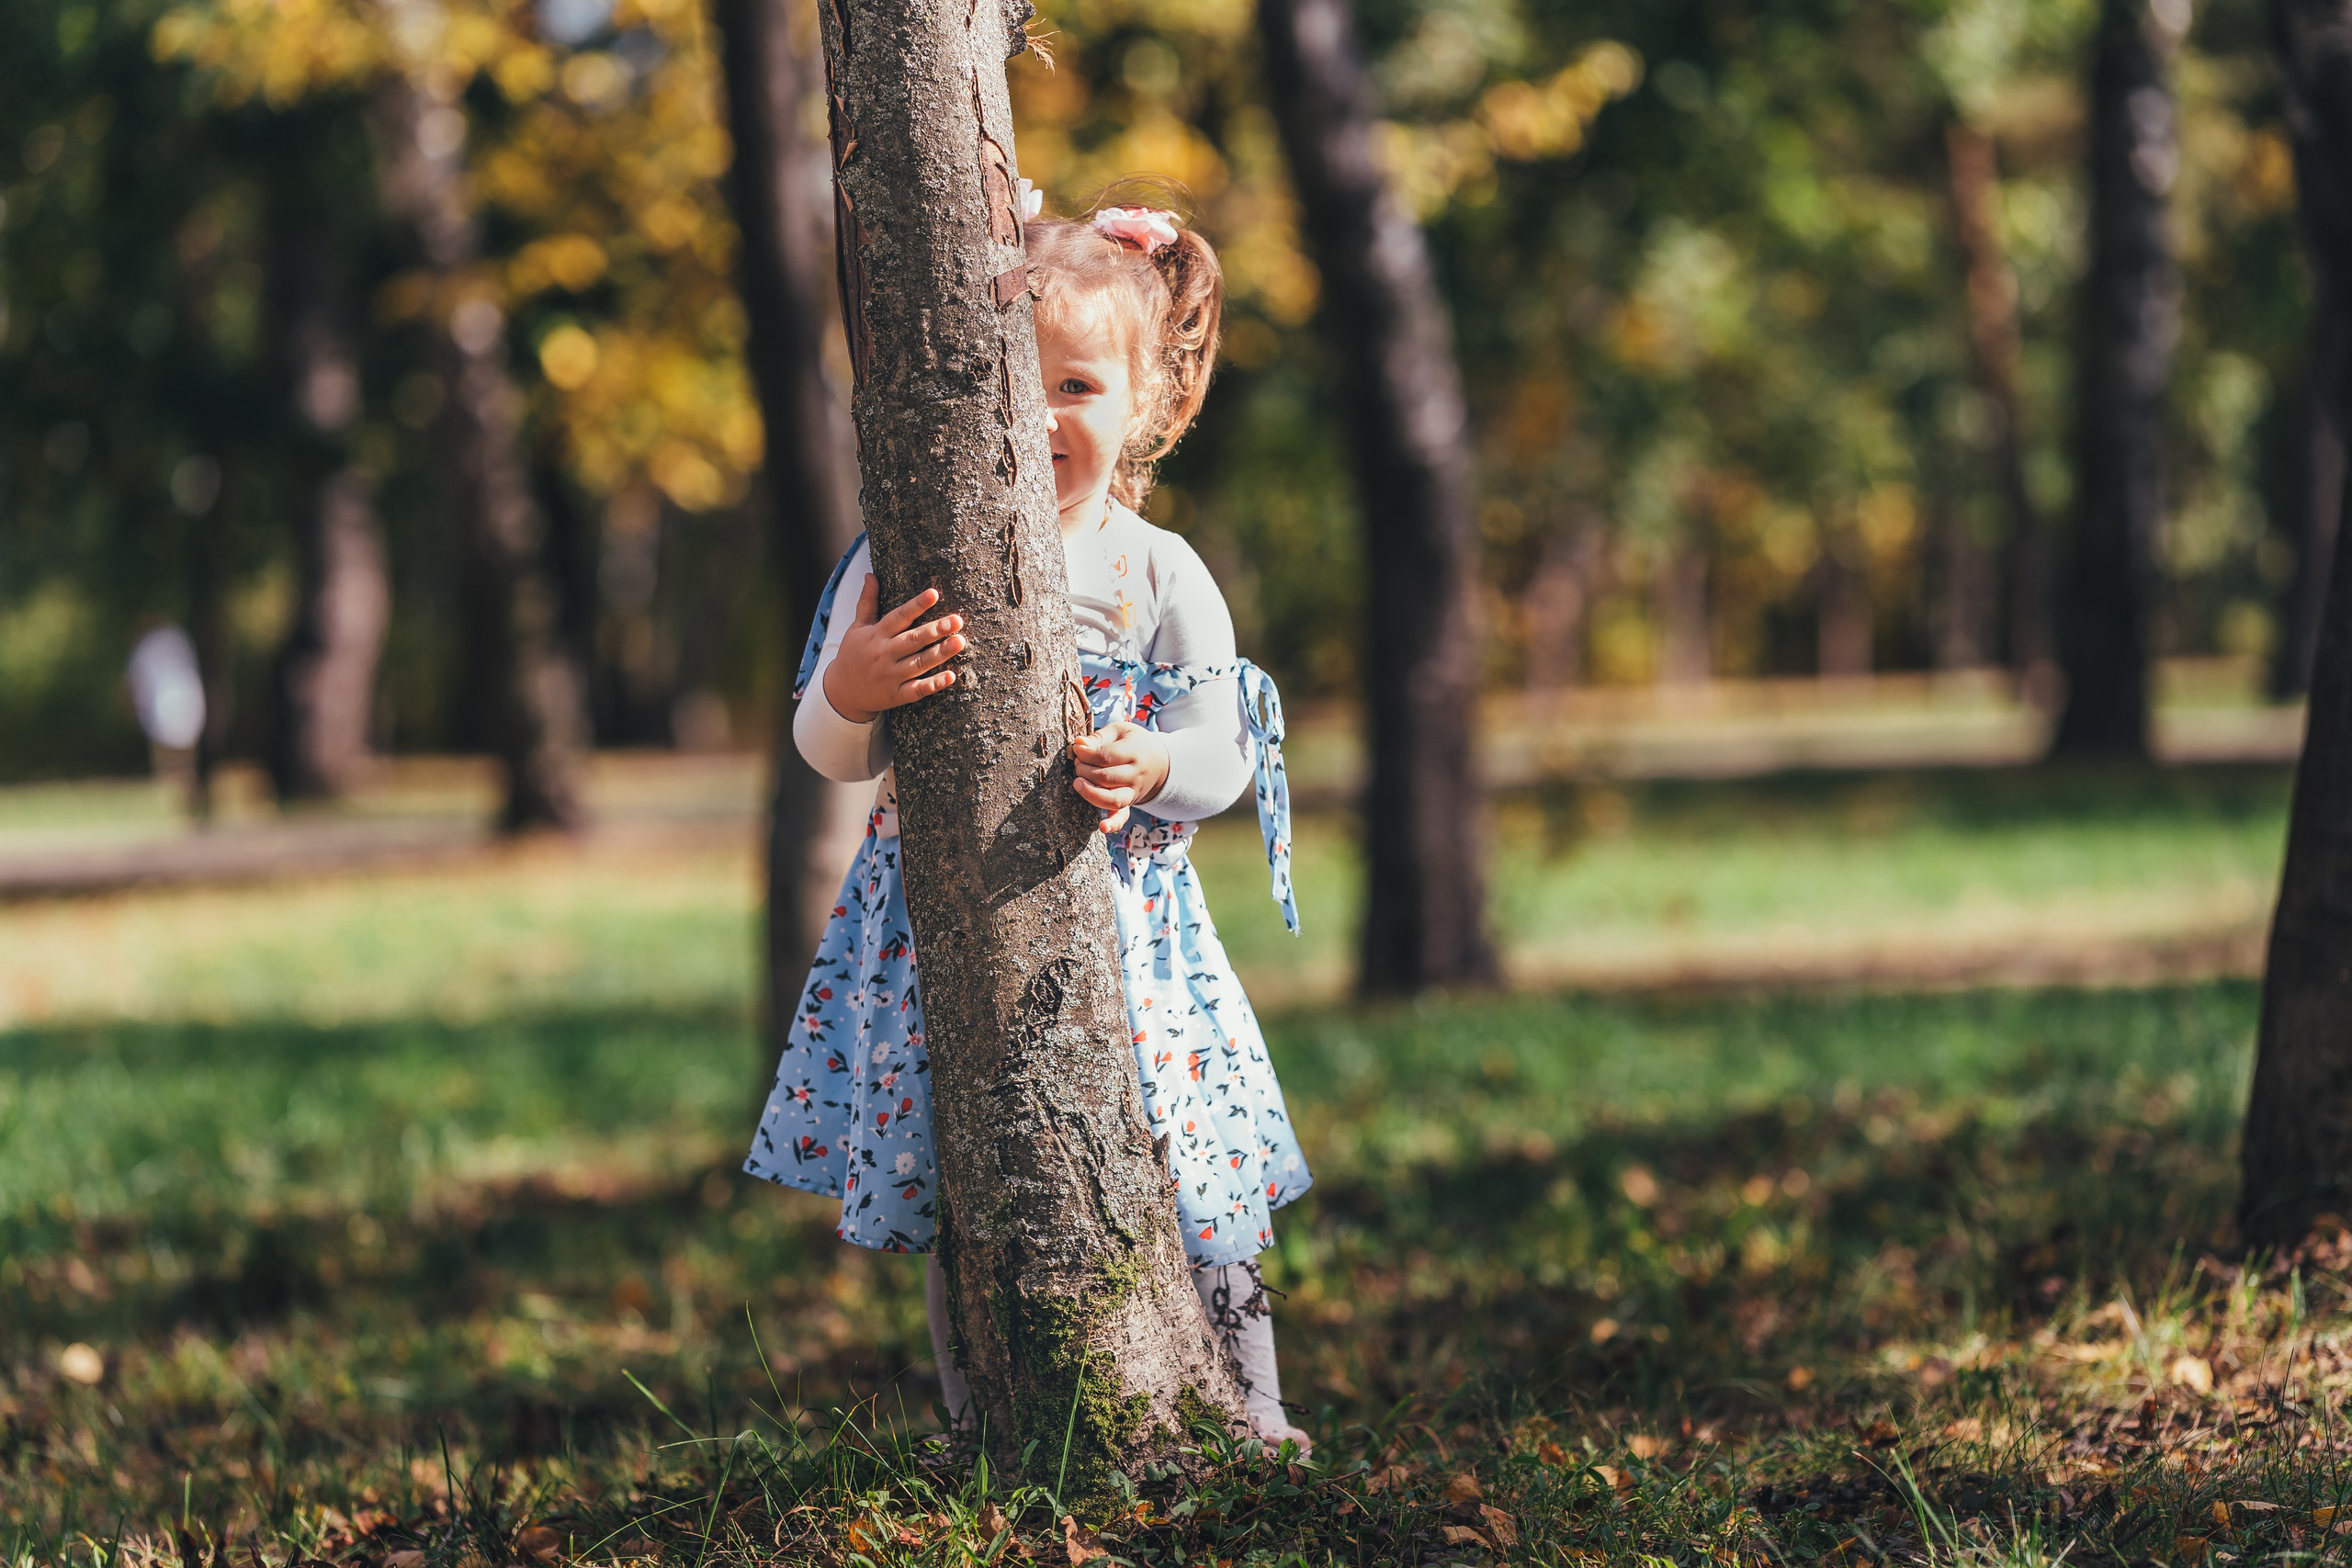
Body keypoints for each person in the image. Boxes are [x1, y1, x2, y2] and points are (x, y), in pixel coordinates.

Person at [744, 193, 1314, 1451]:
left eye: (1078, 385)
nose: (1040, 415)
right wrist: (856, 688)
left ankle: (1253, 1404)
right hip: (950, 931)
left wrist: (1156, 760)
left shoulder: (1155, 569)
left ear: (1148, 406)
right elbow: (826, 750)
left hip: (1135, 942)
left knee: (1190, 1167)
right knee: (978, 1177)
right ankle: (985, 1418)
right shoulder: (898, 552)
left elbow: (1227, 754)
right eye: (1014, 380)